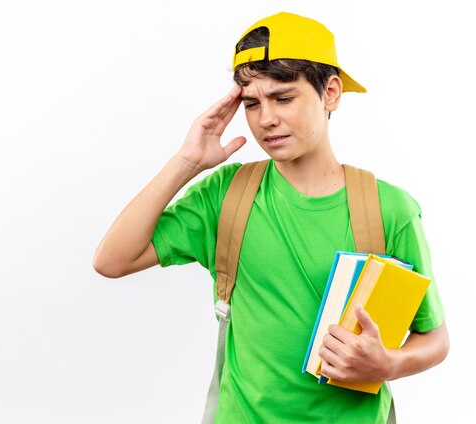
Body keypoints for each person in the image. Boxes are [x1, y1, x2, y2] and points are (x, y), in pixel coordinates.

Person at [93, 11, 449, 423]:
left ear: (330, 92)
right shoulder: (226, 195)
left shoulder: (390, 210)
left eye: (283, 97)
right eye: (251, 103)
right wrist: (186, 162)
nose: (266, 119)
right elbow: (111, 261)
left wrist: (387, 364)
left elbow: (434, 338)